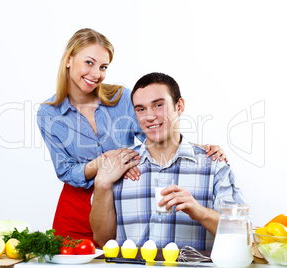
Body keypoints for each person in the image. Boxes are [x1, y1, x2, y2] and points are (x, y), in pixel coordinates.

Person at [37, 29, 228, 242]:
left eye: (103, 67)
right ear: (68, 59)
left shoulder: (122, 98)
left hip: (121, 198)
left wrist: (199, 150)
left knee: (117, 255)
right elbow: (65, 170)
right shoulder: (48, 113)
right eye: (89, 63)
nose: (96, 74)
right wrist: (107, 162)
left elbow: (156, 132)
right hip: (76, 207)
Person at [90, 72, 245, 250]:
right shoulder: (118, 166)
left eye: (158, 105)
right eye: (141, 109)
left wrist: (199, 211)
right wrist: (101, 184)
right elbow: (103, 241)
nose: (149, 116)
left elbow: (240, 233)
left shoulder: (213, 164)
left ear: (179, 106)